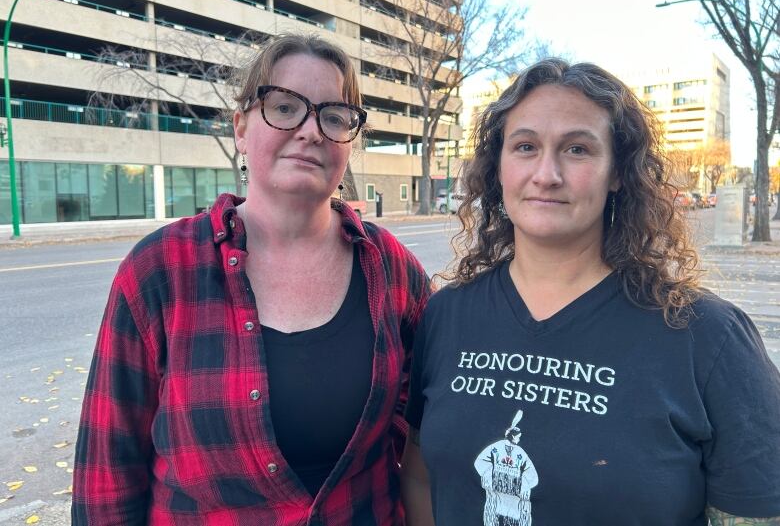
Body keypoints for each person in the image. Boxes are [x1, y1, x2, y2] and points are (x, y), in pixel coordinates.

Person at [400, 58, 780, 525]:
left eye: (577, 149)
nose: (546, 174)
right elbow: (419, 476)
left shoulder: (707, 337)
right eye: (524, 146)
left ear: (618, 172)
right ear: (497, 167)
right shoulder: (446, 315)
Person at [72, 34, 430, 525]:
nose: (311, 131)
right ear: (241, 128)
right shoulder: (158, 270)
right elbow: (107, 476)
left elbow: (426, 430)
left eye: (333, 116)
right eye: (285, 107)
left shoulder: (391, 268)